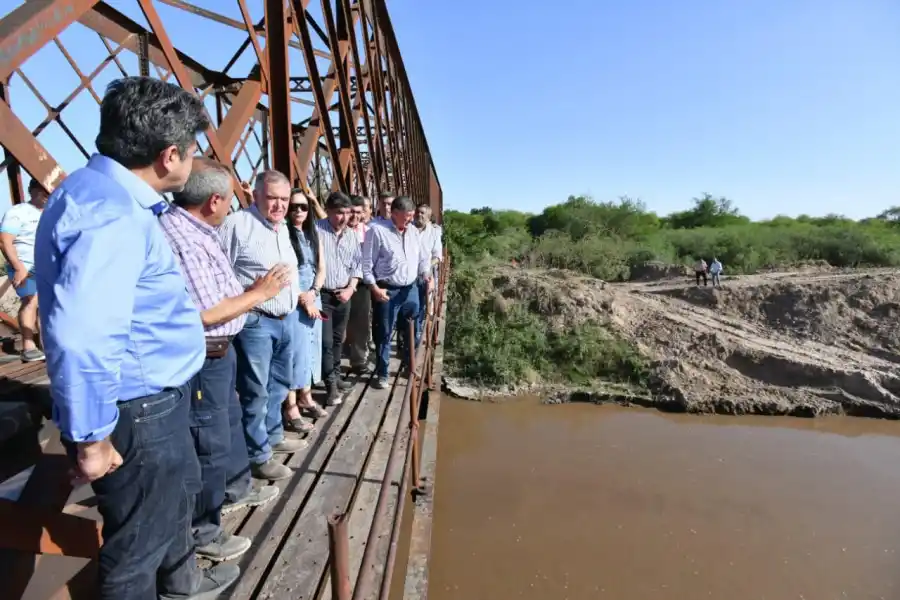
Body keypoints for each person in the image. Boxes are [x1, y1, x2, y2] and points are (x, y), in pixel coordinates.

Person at [34, 76, 237, 600]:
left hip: (151, 401)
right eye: (191, 150)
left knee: (167, 512)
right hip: (139, 409)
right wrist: (92, 436)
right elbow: (81, 335)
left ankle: (182, 584)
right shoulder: (113, 214)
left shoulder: (94, 193)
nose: (193, 161)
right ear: (170, 156)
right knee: (135, 551)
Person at [161, 157, 288, 563]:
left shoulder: (200, 230)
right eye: (231, 200)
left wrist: (249, 290)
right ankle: (205, 534)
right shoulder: (183, 237)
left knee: (225, 431)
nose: (233, 207)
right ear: (214, 200)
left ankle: (234, 491)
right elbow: (202, 313)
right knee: (208, 444)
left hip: (221, 354)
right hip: (203, 358)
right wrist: (260, 294)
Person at [219, 170, 307, 482]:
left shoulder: (282, 227)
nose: (280, 205)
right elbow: (220, 275)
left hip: (286, 318)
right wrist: (247, 294)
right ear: (255, 195)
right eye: (272, 198)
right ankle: (257, 457)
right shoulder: (237, 225)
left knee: (279, 384)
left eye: (285, 199)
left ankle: (273, 436)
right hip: (256, 321)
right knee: (255, 391)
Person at [362, 196, 433, 390]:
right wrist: (374, 288)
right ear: (394, 213)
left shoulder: (413, 232)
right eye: (407, 217)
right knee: (384, 333)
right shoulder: (376, 232)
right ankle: (383, 373)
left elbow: (423, 258)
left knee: (412, 329)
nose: (411, 220)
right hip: (387, 289)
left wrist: (426, 274)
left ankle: (411, 367)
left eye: (412, 216)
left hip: (410, 289)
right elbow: (366, 266)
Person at [283, 189, 329, 431]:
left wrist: (315, 291)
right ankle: (291, 407)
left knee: (313, 348)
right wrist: (305, 299)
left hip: (313, 295)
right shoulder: (282, 234)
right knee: (295, 352)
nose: (299, 211)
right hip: (294, 300)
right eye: (294, 207)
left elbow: (321, 267)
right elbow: (287, 273)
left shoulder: (313, 233)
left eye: (303, 207)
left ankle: (306, 396)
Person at [316, 191, 362, 405]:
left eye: (346, 212)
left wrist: (351, 288)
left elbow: (357, 264)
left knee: (337, 339)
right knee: (325, 342)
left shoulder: (352, 234)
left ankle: (335, 376)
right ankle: (331, 385)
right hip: (323, 295)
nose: (343, 217)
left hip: (344, 294)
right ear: (327, 211)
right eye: (338, 213)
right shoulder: (316, 230)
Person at [0, 179, 48, 362]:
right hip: (25, 266)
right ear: (32, 191)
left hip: (47, 266)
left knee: (46, 305)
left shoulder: (52, 212)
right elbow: (5, 241)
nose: (45, 194)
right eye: (41, 190)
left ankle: (47, 347)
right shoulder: (18, 212)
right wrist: (18, 268)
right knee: (31, 301)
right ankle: (28, 346)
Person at [344, 194, 372, 374]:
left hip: (361, 284)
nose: (354, 216)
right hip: (341, 282)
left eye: (358, 212)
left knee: (361, 322)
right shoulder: (339, 229)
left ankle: (359, 360)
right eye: (351, 211)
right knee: (341, 323)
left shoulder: (368, 232)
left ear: (363, 213)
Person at [413, 203, 442, 347]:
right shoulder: (408, 228)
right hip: (409, 276)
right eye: (418, 212)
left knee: (421, 308)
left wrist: (427, 267)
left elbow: (438, 256)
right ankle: (409, 340)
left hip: (425, 276)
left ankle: (416, 339)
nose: (420, 215)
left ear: (429, 216)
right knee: (412, 309)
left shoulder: (434, 232)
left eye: (423, 213)